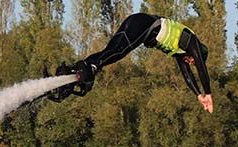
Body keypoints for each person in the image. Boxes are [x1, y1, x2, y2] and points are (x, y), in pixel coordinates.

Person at [49, 13, 214, 113]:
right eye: (192, 60)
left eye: (190, 62)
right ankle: (89, 67)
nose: (190, 62)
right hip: (143, 25)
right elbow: (201, 69)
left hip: (139, 25)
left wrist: (198, 95)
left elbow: (187, 75)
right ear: (197, 52)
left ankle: (75, 71)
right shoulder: (192, 42)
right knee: (117, 51)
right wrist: (209, 93)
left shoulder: (179, 53)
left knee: (112, 53)